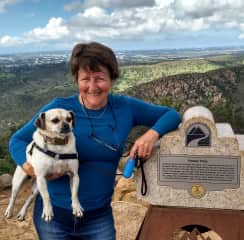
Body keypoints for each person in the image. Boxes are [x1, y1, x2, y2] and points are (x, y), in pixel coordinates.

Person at [9, 42, 181, 240]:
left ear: (112, 79)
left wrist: (151, 135)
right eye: (85, 79)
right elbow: (18, 140)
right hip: (54, 216)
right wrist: (29, 166)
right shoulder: (59, 109)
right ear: (76, 80)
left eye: (99, 79)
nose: (92, 87)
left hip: (99, 218)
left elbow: (172, 115)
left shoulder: (125, 107)